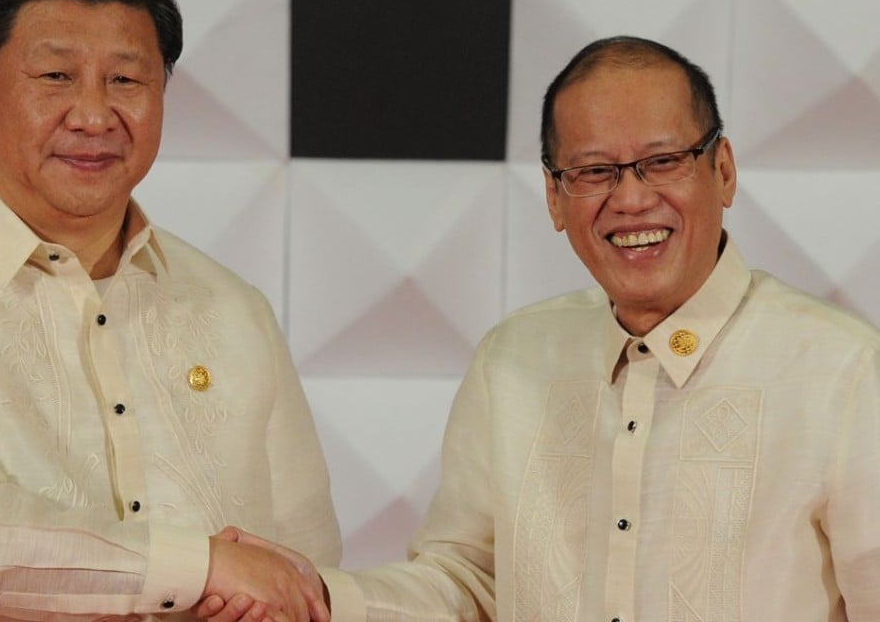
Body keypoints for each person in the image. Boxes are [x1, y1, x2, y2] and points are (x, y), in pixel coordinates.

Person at [220, 36, 880, 621]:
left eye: (663, 160)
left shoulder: (844, 372)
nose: (630, 198)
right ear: (554, 196)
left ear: (724, 169)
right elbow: (466, 585)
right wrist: (327, 598)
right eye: (594, 171)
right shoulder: (513, 360)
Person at [0, 0, 340, 620]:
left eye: (126, 81)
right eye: (56, 75)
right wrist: (202, 567)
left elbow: (303, 561)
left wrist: (265, 603)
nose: (93, 115)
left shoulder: (232, 308)